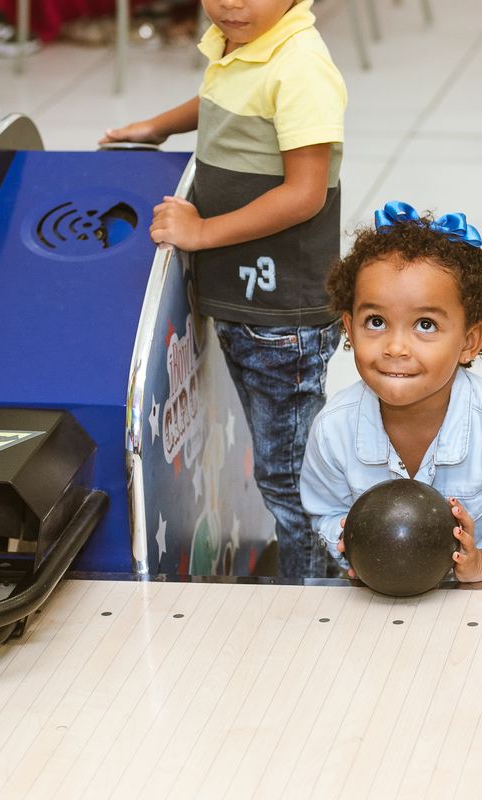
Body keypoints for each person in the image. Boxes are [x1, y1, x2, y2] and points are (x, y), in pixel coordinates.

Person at [100, 0, 346, 578]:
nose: (230, 2)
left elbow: (305, 192)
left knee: (288, 476)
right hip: (247, 299)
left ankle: (314, 596)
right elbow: (222, 104)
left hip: (280, 315)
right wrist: (159, 126)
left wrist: (203, 231)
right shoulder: (240, 41)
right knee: (277, 465)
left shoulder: (300, 65)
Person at [301, 202, 482, 584]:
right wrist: (352, 545)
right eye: (376, 322)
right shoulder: (332, 430)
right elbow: (325, 511)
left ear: (470, 342)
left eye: (425, 324)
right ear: (349, 330)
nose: (396, 347)